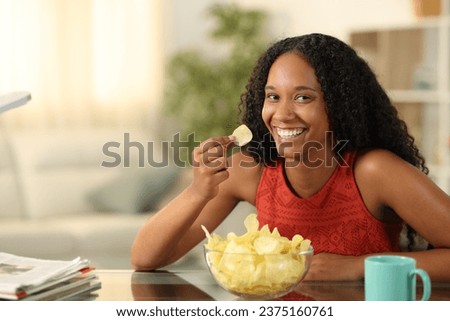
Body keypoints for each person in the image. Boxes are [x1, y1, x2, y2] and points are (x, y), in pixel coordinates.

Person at [131, 33, 450, 281]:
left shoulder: (375, 172)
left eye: (303, 97)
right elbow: (145, 259)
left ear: (338, 106)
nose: (282, 114)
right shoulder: (250, 169)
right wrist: (197, 191)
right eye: (273, 96)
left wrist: (358, 268)